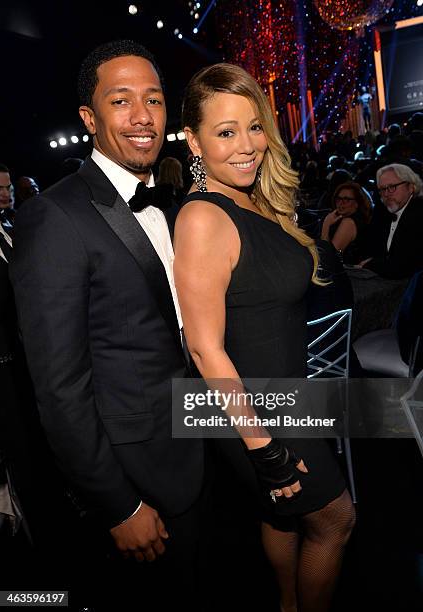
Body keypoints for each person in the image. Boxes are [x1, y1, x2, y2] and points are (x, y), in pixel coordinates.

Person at [10, 40, 204, 610]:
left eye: (154, 99)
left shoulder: (167, 204)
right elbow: (59, 386)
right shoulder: (53, 217)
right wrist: (117, 503)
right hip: (133, 479)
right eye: (121, 102)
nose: (143, 117)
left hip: (191, 450)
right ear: (89, 119)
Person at [174, 62, 355, 612]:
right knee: (337, 520)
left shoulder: (256, 201)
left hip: (287, 396)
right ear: (193, 141)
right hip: (255, 408)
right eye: (226, 132)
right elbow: (203, 345)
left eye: (255, 127)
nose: (247, 145)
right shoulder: (204, 216)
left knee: (282, 514)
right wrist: (263, 448)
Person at [358, 163, 423, 278]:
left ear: (411, 187)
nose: (386, 194)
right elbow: (370, 249)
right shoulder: (385, 212)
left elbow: (403, 266)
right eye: (382, 189)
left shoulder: (418, 213)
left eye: (392, 187)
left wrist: (371, 264)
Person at [321, 181, 372, 265]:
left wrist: (326, 225)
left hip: (348, 273)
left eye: (347, 199)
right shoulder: (346, 218)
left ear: (357, 203)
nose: (341, 203)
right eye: (339, 199)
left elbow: (329, 259)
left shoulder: (348, 223)